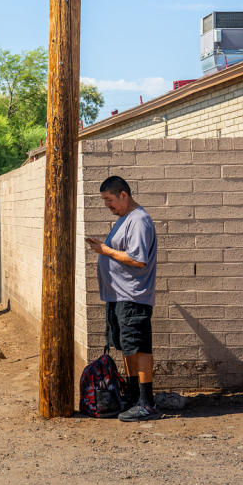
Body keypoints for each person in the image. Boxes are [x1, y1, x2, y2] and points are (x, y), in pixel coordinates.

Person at [85, 175, 160, 422]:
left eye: (109, 200)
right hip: (119, 297)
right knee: (127, 347)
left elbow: (138, 260)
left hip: (133, 297)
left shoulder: (139, 221)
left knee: (139, 348)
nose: (107, 205)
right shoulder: (124, 219)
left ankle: (146, 403)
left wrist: (104, 250)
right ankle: (132, 395)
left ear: (123, 195)